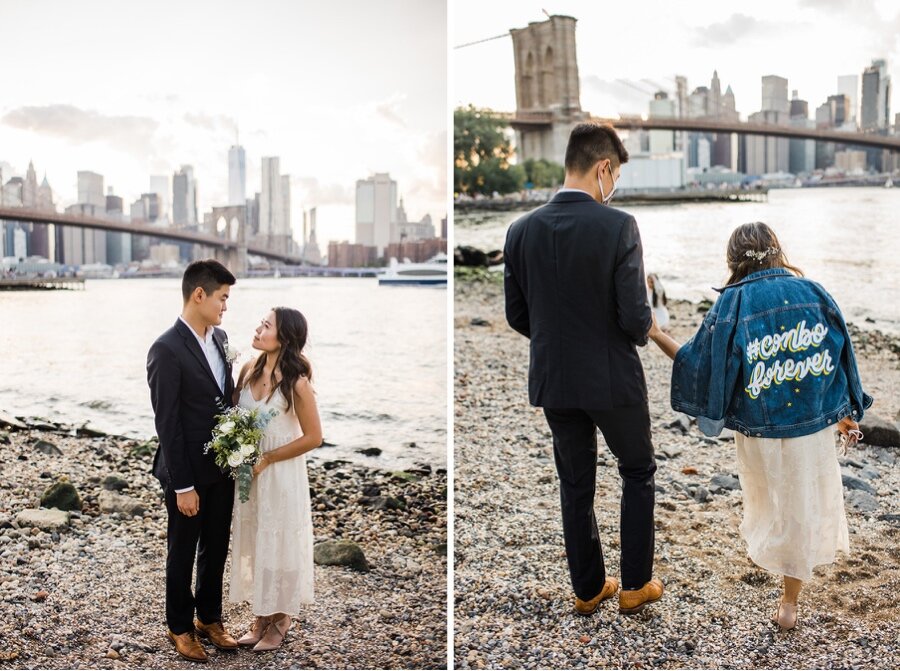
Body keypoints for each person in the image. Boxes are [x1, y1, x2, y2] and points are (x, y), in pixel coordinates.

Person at [648, 221, 872, 629]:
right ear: (776, 249)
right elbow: (836, 361)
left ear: (733, 259)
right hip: (810, 430)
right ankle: (790, 602)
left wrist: (658, 334)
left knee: (772, 508)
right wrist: (846, 413)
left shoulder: (731, 304)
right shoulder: (816, 293)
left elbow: (701, 368)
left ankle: (781, 581)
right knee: (802, 509)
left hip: (760, 433)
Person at [504, 122, 663, 617]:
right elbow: (636, 320)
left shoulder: (519, 230)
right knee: (636, 470)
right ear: (603, 168)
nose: (613, 187)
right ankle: (635, 585)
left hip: (555, 378)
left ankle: (589, 589)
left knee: (575, 484)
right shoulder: (619, 226)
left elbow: (517, 315)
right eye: (614, 176)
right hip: (613, 377)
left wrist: (558, 341)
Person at [147, 259, 239, 663]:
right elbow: (167, 423)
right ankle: (179, 626)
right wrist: (183, 485)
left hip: (223, 467)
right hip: (186, 471)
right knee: (182, 551)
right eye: (222, 298)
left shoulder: (221, 340)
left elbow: (225, 399)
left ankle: (209, 618)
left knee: (217, 546)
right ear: (198, 295)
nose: (225, 307)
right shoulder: (166, 349)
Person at [230, 307, 323, 652]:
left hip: (281, 472)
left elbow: (314, 437)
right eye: (260, 323)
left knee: (279, 540)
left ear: (283, 337)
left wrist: (268, 457)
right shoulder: (247, 371)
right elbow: (236, 421)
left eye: (266, 325)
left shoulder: (296, 381)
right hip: (251, 473)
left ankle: (281, 617)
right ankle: (261, 615)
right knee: (257, 540)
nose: (257, 329)